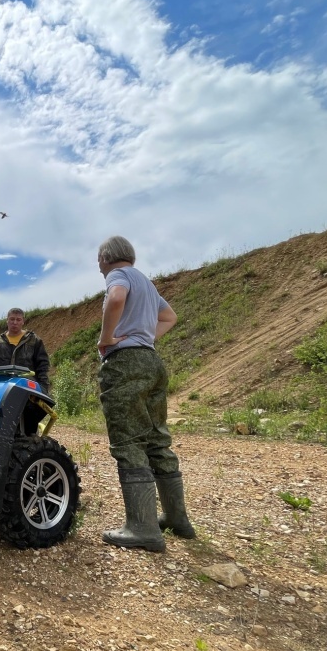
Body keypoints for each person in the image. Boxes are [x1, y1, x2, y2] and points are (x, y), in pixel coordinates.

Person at [96, 236, 194, 552]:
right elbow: (170, 317)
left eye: (99, 260)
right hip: (152, 361)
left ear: (105, 257)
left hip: (124, 363)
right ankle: (177, 519)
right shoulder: (147, 283)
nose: (99, 266)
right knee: (156, 437)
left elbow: (115, 299)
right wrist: (143, 338)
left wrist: (107, 337)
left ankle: (142, 528)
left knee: (128, 440)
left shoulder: (117, 275)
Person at [0, 307, 51, 395]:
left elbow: (43, 366)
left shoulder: (33, 340)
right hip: (3, 389)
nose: (15, 322)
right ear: (7, 320)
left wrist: (43, 388)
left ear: (23, 321)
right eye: (12, 319)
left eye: (18, 319)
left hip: (28, 388)